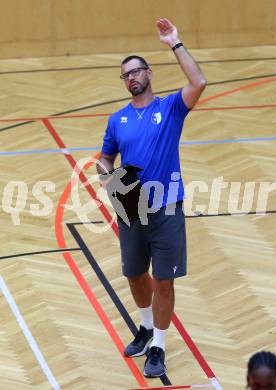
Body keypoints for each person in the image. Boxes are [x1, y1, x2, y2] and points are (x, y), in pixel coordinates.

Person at [96, 17, 206, 377]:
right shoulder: (118, 120)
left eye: (136, 71)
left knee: (164, 279)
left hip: (166, 206)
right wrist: (107, 180)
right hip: (131, 208)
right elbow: (105, 158)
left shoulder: (171, 108)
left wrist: (175, 42)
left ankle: (158, 345)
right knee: (134, 273)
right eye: (125, 74)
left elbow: (199, 82)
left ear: (149, 73)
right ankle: (145, 328)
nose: (131, 77)